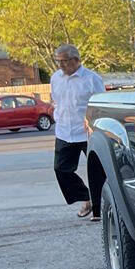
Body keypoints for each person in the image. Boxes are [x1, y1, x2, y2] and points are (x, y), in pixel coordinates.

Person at [49, 44, 106, 220]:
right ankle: (85, 197)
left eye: (64, 61)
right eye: (58, 61)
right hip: (65, 131)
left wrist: (93, 122)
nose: (61, 65)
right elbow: (56, 100)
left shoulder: (91, 79)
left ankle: (98, 210)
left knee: (97, 171)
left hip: (87, 132)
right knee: (61, 169)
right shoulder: (55, 78)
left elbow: (101, 104)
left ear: (76, 60)